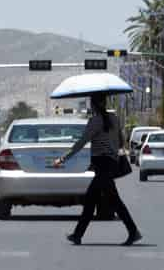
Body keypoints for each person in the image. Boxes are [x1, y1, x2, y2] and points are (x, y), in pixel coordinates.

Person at [53, 94, 142, 246]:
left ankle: (133, 231)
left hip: (102, 165)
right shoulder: (114, 119)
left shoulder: (95, 121)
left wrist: (63, 158)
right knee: (93, 200)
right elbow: (121, 141)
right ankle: (78, 235)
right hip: (111, 162)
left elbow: (81, 143)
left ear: (93, 105)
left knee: (111, 201)